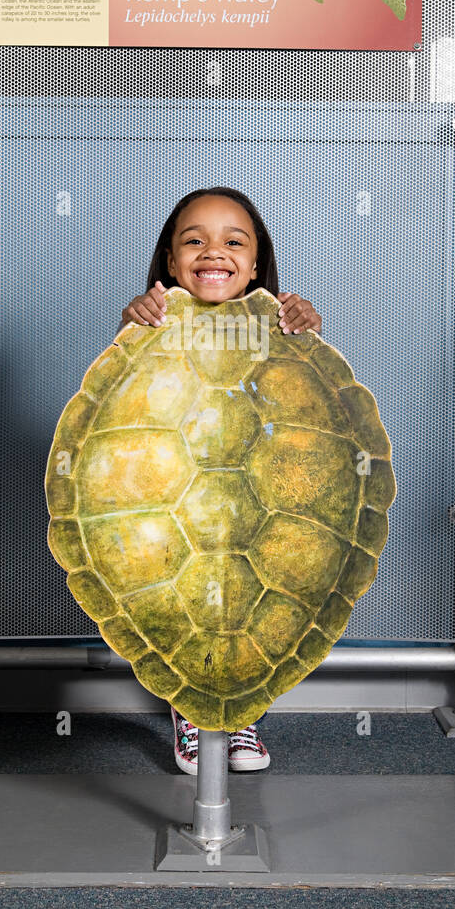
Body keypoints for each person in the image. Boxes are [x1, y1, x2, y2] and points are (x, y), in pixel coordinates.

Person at [118, 187, 322, 775]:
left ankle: (244, 710)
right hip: (172, 493)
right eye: (194, 241)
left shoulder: (276, 326)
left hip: (255, 493)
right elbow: (128, 399)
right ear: (171, 261)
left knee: (250, 595)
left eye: (234, 241)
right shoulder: (155, 321)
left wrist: (305, 330)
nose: (214, 251)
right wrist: (131, 321)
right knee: (182, 595)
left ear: (256, 264)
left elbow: (302, 409)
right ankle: (191, 708)